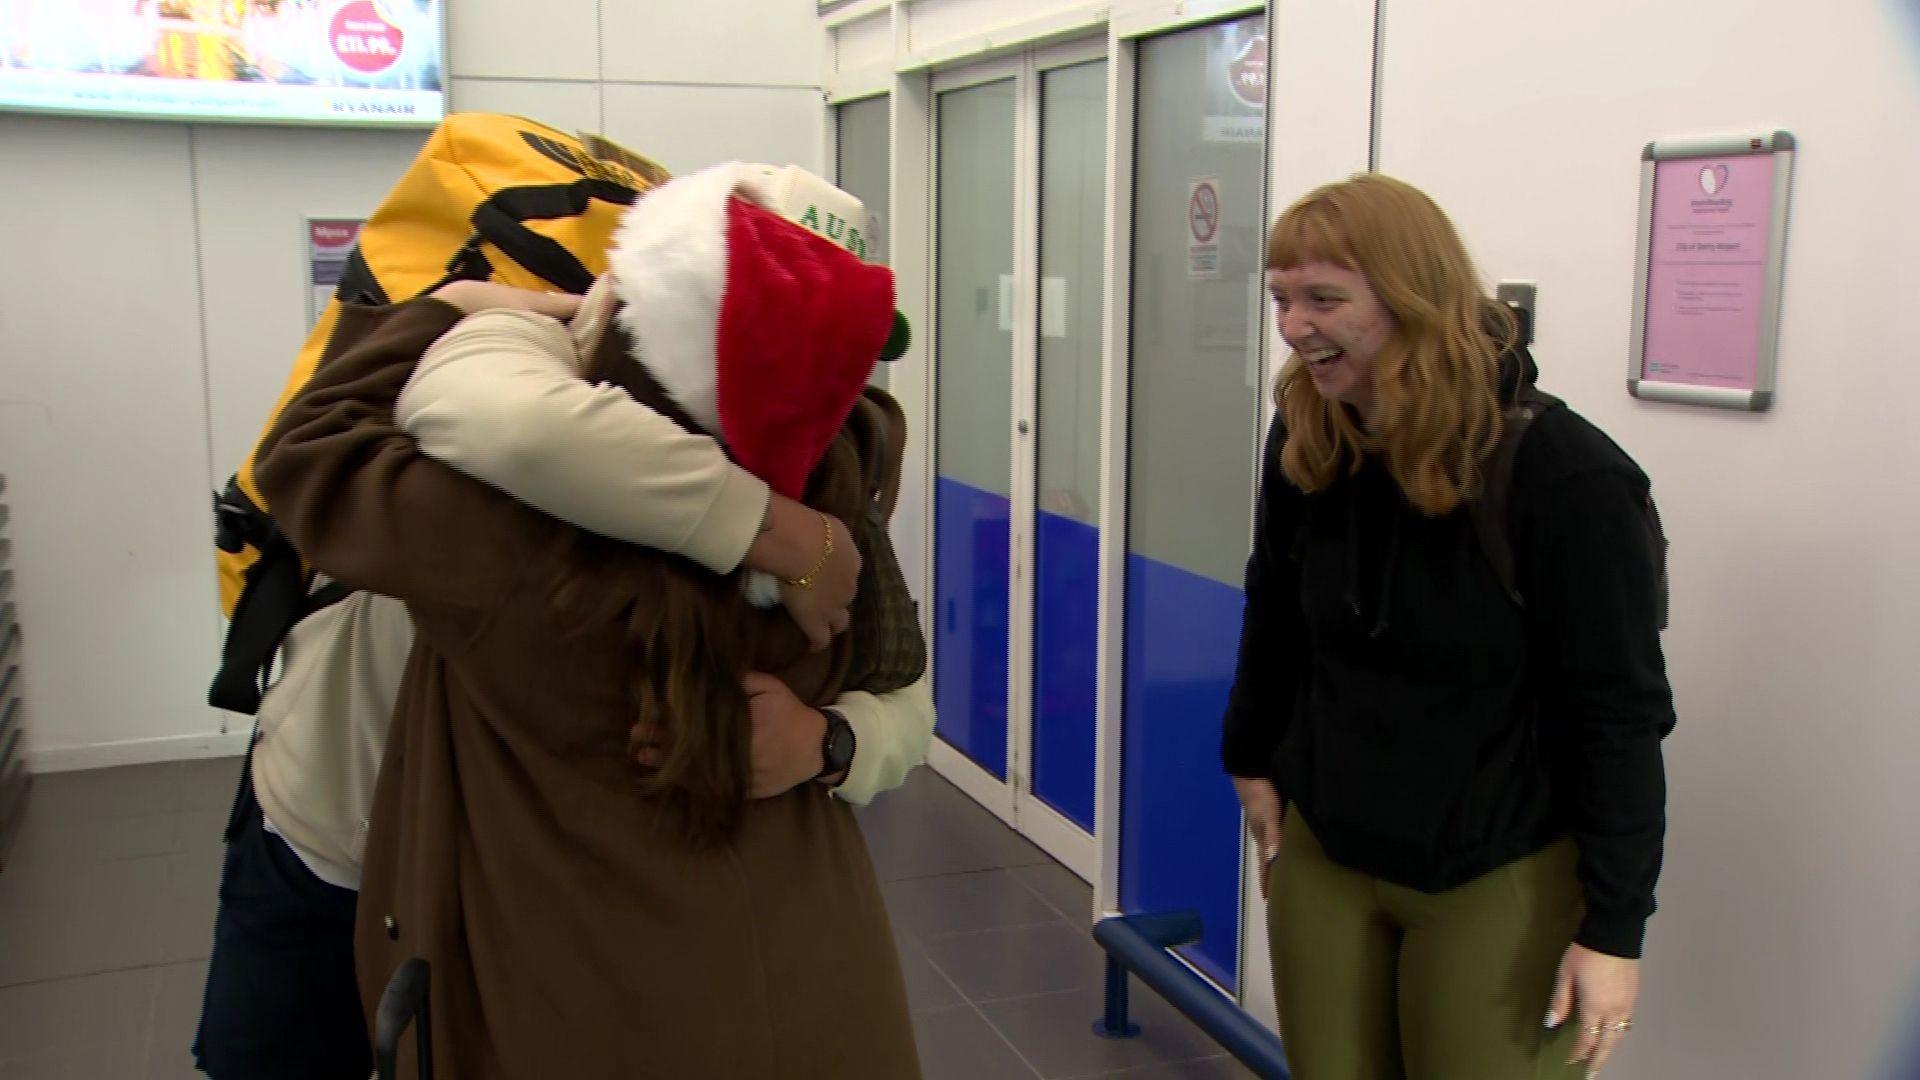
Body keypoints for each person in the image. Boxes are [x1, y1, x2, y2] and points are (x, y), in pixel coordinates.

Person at [194, 169, 933, 1079]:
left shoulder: (500, 530)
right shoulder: (837, 533)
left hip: (404, 885)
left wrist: (468, 311)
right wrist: (833, 740)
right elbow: (905, 693)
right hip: (813, 989)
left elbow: (315, 449)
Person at [1220, 173, 1673, 1080]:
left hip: (1494, 867)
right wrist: (1252, 752)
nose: (1295, 326)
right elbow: (1274, 602)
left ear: (1411, 296)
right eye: (1281, 298)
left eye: (1324, 299)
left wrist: (1616, 931)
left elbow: (1618, 716)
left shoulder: (1567, 477)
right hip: (1329, 849)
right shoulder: (1309, 435)